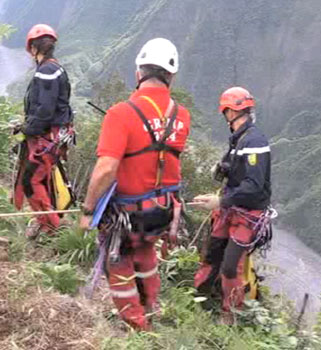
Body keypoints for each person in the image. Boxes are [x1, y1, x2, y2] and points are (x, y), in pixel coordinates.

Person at [79, 38, 191, 331]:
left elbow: (106, 169)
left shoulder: (121, 114)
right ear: (171, 76)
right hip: (163, 212)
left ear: (138, 72)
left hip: (128, 216)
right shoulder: (183, 116)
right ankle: (151, 310)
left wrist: (88, 209)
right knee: (145, 254)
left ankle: (137, 326)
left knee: (119, 264)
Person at [193, 87, 272, 323]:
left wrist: (220, 201)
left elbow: (254, 186)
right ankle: (201, 295)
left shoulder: (255, 141)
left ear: (229, 112)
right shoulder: (239, 139)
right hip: (231, 207)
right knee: (213, 251)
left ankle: (231, 314)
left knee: (231, 266)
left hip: (247, 213)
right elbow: (237, 175)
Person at [13, 24, 74, 239]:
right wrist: (27, 126)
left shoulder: (47, 71)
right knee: (43, 179)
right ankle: (47, 223)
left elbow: (45, 109)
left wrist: (28, 128)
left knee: (31, 180)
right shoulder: (54, 68)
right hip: (52, 136)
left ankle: (53, 227)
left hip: (46, 137)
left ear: (32, 48)